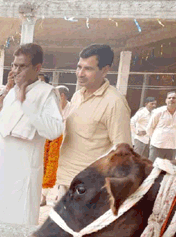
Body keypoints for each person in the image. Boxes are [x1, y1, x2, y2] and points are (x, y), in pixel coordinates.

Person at [0, 43, 63, 225]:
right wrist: (13, 89)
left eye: (22, 66)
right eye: (14, 65)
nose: (16, 70)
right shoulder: (12, 91)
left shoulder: (47, 93)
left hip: (22, 171)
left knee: (17, 221)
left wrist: (26, 102)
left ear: (37, 68)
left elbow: (54, 131)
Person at [56, 44, 131, 197]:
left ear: (105, 70)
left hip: (88, 188)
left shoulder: (114, 102)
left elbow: (123, 151)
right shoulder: (78, 95)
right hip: (65, 181)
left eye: (88, 69)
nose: (80, 73)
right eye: (79, 67)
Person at [40, 85, 71, 206]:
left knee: (63, 175)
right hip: (52, 145)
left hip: (67, 147)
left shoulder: (72, 109)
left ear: (62, 97)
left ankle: (61, 198)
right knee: (48, 170)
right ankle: (43, 196)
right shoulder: (52, 110)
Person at [147, 91, 176, 161]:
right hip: (157, 145)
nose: (171, 99)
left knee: (168, 168)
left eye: (174, 98)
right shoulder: (158, 112)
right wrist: (155, 139)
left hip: (172, 146)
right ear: (166, 101)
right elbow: (150, 128)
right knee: (153, 167)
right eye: (169, 98)